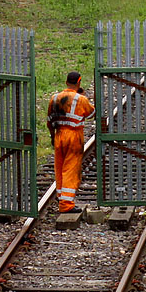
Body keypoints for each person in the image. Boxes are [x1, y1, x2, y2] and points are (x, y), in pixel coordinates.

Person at [46, 71, 95, 213]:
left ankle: (62, 198)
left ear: (66, 82)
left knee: (60, 168)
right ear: (79, 82)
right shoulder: (81, 99)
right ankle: (66, 204)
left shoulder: (54, 98)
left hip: (58, 135)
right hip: (73, 137)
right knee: (70, 169)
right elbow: (92, 114)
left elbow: (49, 122)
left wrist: (52, 137)